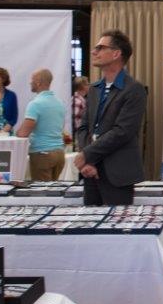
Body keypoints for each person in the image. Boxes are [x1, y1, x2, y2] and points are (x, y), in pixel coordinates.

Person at [74, 29, 147, 205]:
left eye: (100, 48)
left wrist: (87, 154)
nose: (94, 52)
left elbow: (122, 132)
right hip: (90, 171)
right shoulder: (94, 89)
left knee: (117, 228)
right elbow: (84, 127)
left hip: (117, 172)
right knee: (89, 226)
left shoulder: (134, 89)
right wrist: (87, 161)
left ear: (116, 54)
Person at [15, 68, 66, 181]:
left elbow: (23, 133)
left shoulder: (35, 104)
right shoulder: (60, 103)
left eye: (32, 80)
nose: (30, 82)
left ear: (38, 82)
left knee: (43, 195)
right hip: (59, 153)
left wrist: (16, 132)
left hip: (42, 154)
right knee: (53, 192)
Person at [71, 77, 90, 150]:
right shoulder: (78, 101)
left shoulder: (81, 100)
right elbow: (75, 121)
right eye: (87, 84)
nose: (89, 86)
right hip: (78, 136)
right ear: (83, 86)